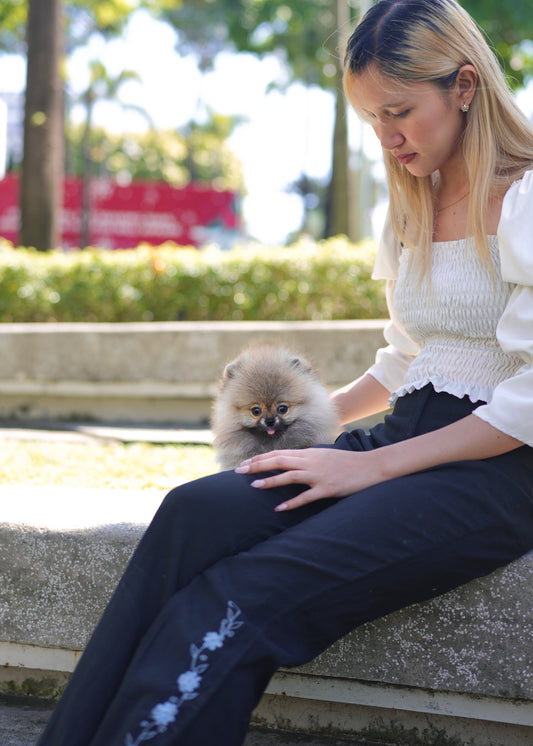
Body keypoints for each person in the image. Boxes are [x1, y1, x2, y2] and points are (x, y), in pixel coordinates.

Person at [38, 1, 533, 744]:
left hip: (496, 473)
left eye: (399, 111)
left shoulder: (525, 198)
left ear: (463, 86)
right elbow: (406, 359)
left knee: (246, 593)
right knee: (193, 512)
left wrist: (370, 470)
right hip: (404, 440)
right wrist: (313, 430)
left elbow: (525, 402)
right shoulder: (414, 203)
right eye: (370, 118)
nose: (386, 137)